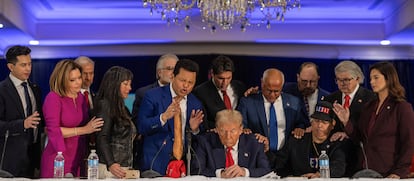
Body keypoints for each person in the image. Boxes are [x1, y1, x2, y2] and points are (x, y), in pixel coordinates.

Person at [333, 61, 414, 178]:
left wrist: (399, 172)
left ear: (388, 78)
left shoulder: (402, 107)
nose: (371, 82)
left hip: (389, 172)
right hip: (365, 171)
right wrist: (346, 121)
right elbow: (359, 138)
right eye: (371, 78)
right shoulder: (369, 107)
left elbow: (409, 143)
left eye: (376, 78)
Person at [138, 59, 204, 176]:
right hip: (156, 164)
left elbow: (201, 139)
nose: (186, 86)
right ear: (173, 76)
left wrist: (194, 130)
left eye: (191, 82)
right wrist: (163, 117)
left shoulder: (196, 103)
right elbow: (142, 127)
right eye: (182, 80)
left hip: (184, 166)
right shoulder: (152, 96)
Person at [40, 60, 103, 178]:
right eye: (72, 80)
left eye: (79, 78)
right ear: (62, 81)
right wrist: (84, 130)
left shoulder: (80, 98)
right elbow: (54, 130)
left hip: (79, 156)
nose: (78, 82)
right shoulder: (53, 98)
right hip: (59, 157)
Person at [237, 68, 308, 167]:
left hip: (287, 159)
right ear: (262, 82)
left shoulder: (294, 102)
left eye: (276, 91)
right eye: (268, 90)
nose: (272, 95)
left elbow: (302, 123)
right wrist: (245, 131)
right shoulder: (248, 102)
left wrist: (300, 128)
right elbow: (240, 126)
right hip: (258, 157)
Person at [323, 60, 376, 176]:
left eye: (346, 79)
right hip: (336, 156)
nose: (342, 83)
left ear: (357, 78)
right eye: (338, 80)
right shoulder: (330, 99)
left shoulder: (371, 99)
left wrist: (348, 133)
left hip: (360, 156)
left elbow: (372, 129)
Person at [0, 45, 43, 178]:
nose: (28, 68)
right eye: (23, 65)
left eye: (30, 64)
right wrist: (22, 124)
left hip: (33, 155)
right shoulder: (2, 90)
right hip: (10, 158)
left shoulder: (35, 89)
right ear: (10, 67)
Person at [274, 101, 346, 178]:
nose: (319, 125)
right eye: (316, 121)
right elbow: (278, 163)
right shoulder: (296, 140)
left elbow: (339, 167)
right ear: (311, 121)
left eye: (324, 122)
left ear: (333, 124)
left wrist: (319, 175)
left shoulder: (336, 143)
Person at [191, 109, 271, 178]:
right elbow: (196, 170)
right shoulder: (205, 141)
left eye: (232, 131)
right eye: (223, 131)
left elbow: (266, 170)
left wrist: (244, 172)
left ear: (240, 130)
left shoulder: (254, 143)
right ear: (217, 129)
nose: (228, 136)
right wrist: (220, 174)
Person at [95, 66, 136, 178]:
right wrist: (111, 163)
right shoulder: (105, 105)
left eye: (130, 84)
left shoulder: (123, 108)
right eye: (125, 84)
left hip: (122, 167)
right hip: (110, 168)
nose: (130, 88)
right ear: (114, 84)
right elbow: (102, 136)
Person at [193, 55, 247, 129]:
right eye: (221, 78)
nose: (225, 83)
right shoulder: (200, 92)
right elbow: (203, 122)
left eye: (228, 78)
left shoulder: (240, 87)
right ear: (212, 73)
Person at [131, 53, 179, 121]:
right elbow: (138, 122)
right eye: (169, 69)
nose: (173, 73)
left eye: (176, 69)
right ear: (159, 72)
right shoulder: (144, 93)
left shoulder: (183, 93)